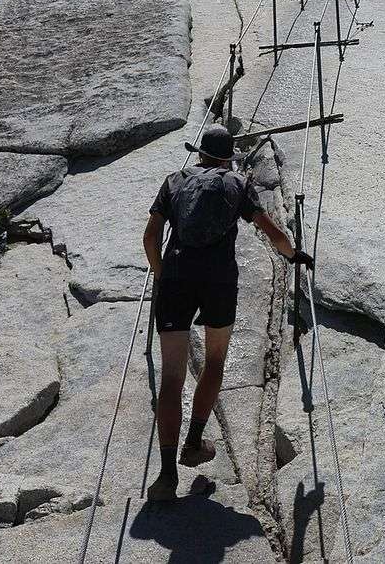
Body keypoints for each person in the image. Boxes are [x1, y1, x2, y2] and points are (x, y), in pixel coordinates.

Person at [143, 124, 313, 502]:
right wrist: (293, 255)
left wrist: (162, 274)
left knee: (171, 380)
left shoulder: (173, 181)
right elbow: (271, 231)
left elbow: (150, 235)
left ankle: (167, 475)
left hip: (176, 279)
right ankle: (194, 441)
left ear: (200, 154)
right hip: (218, 281)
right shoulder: (236, 184)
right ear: (226, 158)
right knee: (215, 362)